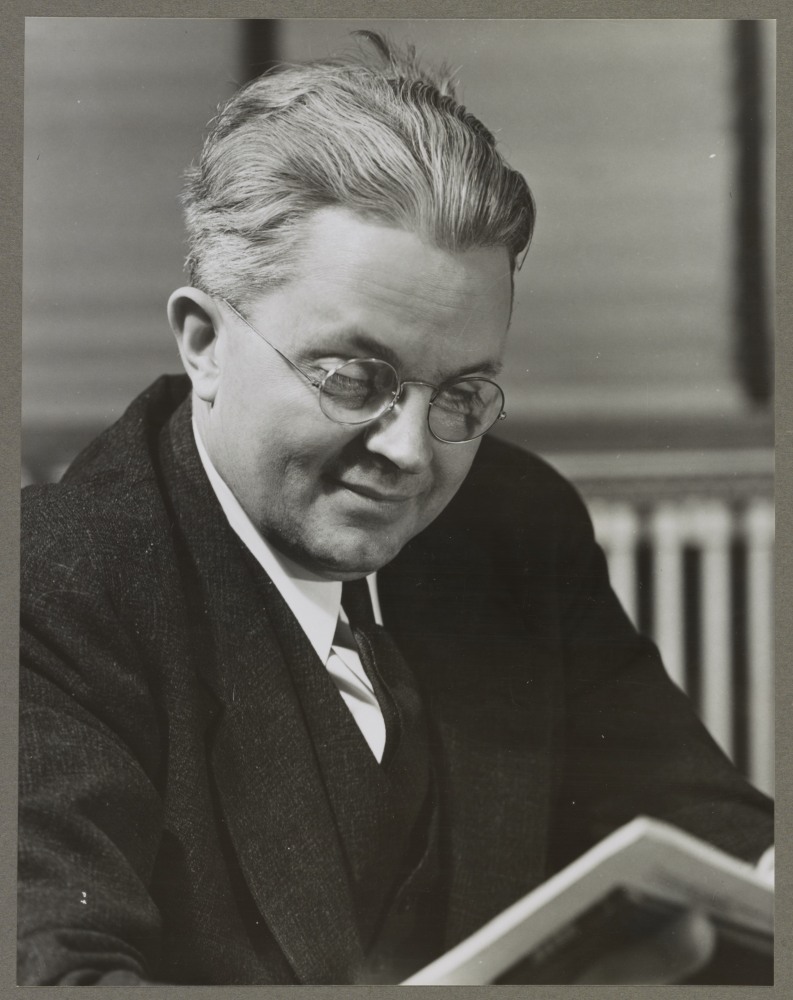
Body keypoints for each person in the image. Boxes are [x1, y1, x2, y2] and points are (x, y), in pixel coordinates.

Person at [18, 34, 773, 986]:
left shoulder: (512, 525)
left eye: (460, 394)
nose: (411, 452)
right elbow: (59, 976)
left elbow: (705, 832)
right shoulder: (48, 592)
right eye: (352, 377)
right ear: (204, 343)